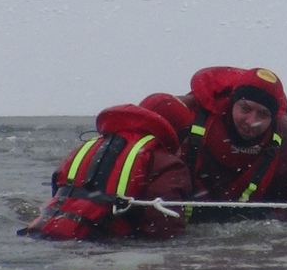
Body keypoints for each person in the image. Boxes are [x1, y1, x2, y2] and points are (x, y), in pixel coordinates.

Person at [140, 66, 287, 223]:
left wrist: (269, 217)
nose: (252, 121)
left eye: (263, 114)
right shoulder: (187, 116)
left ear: (274, 119)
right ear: (231, 103)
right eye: (245, 108)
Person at [17, 101, 192, 240]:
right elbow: (163, 226)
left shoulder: (88, 147)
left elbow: (58, 184)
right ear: (176, 132)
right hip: (98, 240)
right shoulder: (164, 161)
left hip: (44, 229)